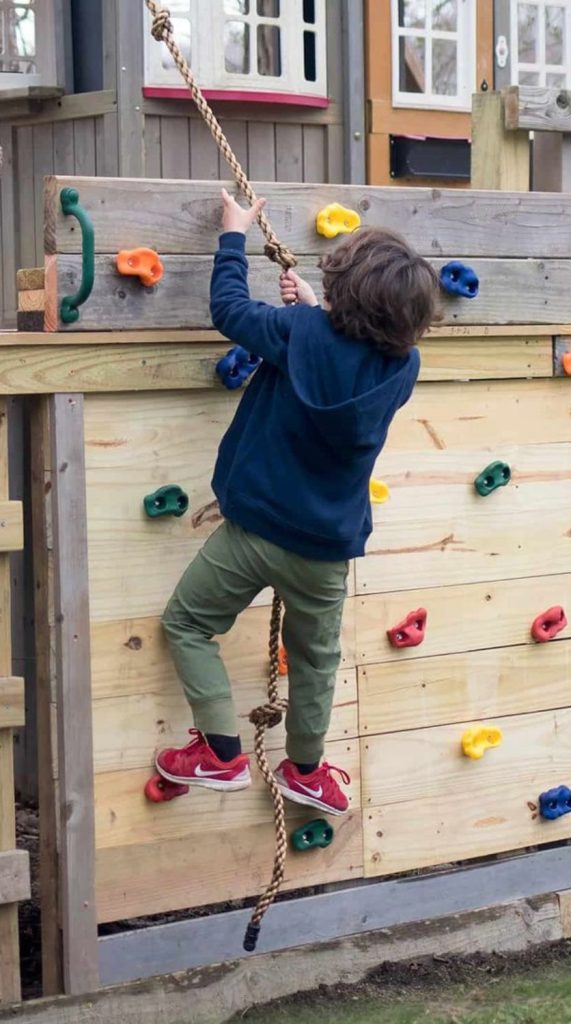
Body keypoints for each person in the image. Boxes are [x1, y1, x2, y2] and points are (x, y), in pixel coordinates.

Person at [154, 189, 439, 816]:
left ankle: (222, 751)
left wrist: (233, 234)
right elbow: (347, 361)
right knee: (315, 660)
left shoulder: (296, 333)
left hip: (252, 532)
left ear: (340, 292)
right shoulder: (405, 367)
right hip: (324, 551)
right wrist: (316, 312)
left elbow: (229, 309)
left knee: (187, 623)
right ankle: (306, 770)